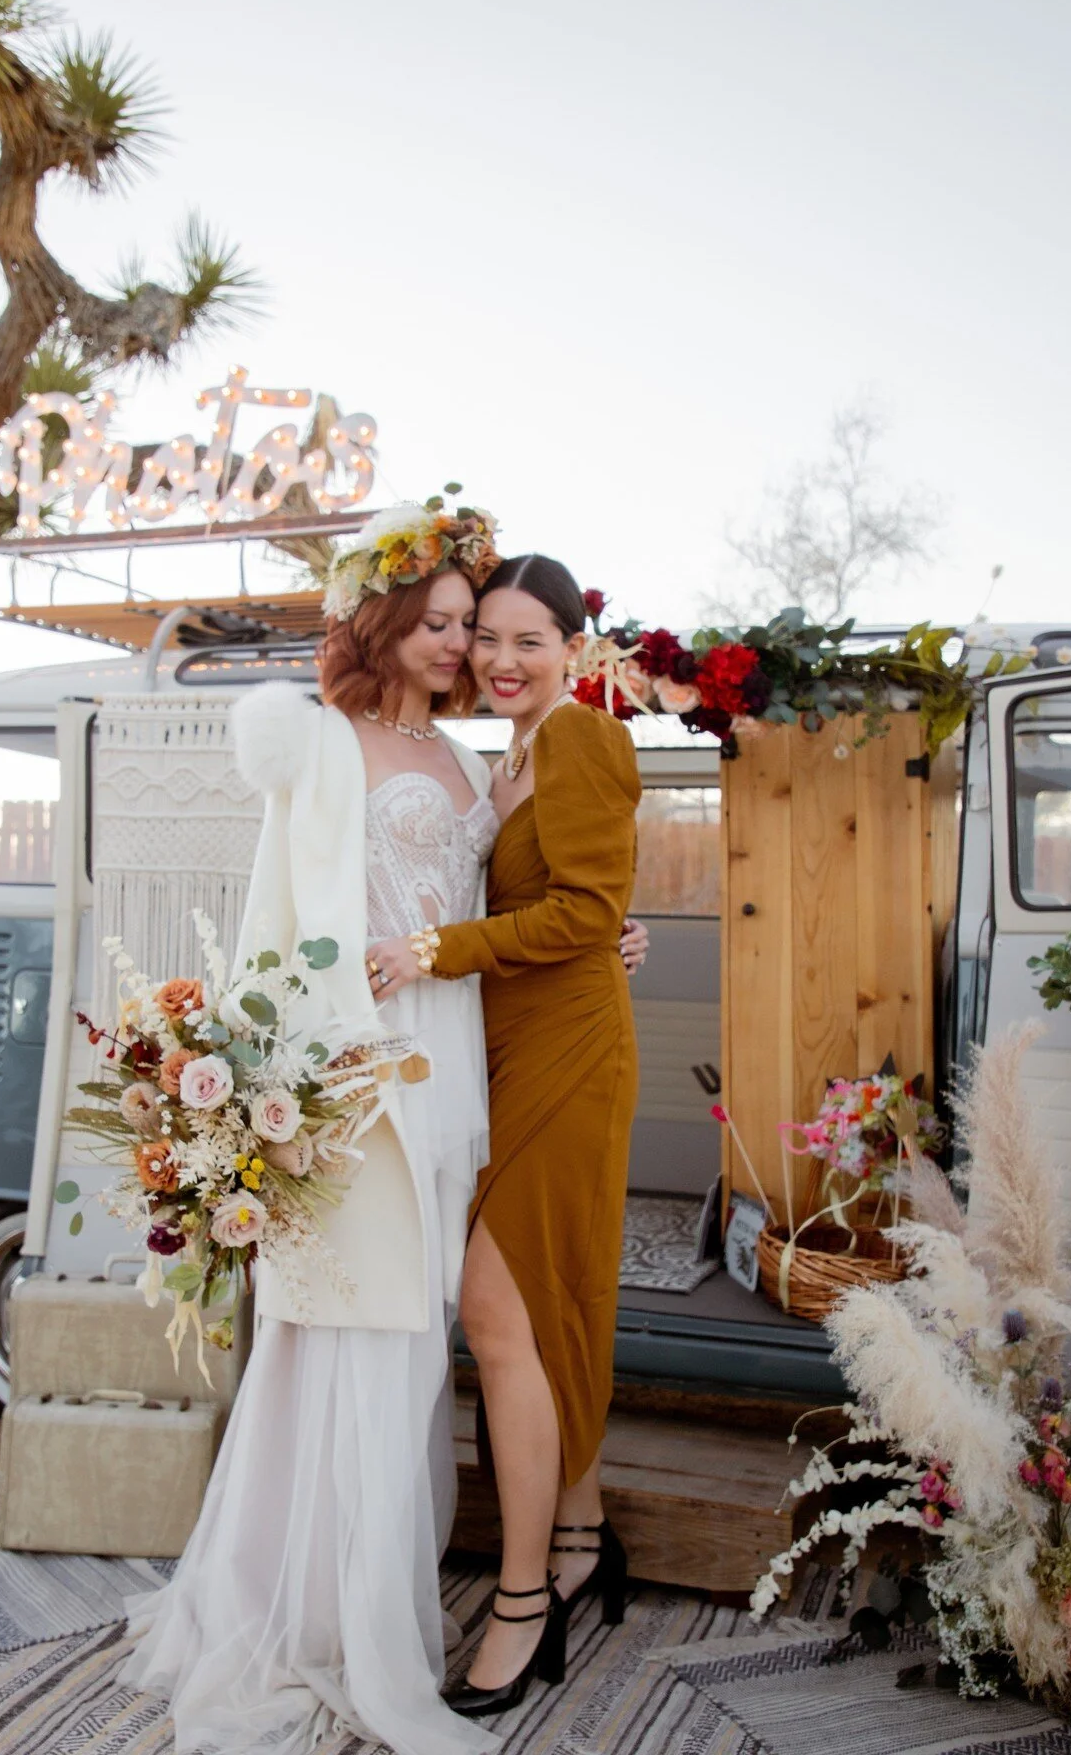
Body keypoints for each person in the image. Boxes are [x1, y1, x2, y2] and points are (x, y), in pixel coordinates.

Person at [120, 504, 505, 1755]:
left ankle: (358, 1606)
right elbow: (275, 922)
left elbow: (482, 912)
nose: (454, 643)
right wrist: (270, 1094)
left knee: (412, 1341)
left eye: (465, 623)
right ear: (382, 617)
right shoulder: (325, 747)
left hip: (456, 1066)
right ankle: (320, 1629)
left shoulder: (468, 760)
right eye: (436, 621)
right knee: (346, 1336)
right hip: (356, 1080)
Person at [365, 552, 642, 1717]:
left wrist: (432, 953)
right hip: (505, 1047)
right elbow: (562, 905)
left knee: (498, 1308)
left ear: (572, 647)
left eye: (531, 639)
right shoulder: (507, 758)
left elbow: (584, 911)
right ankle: (581, 1537)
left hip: (569, 1055)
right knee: (548, 1299)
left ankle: (524, 1601)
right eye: (488, 637)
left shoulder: (580, 737)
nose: (502, 659)